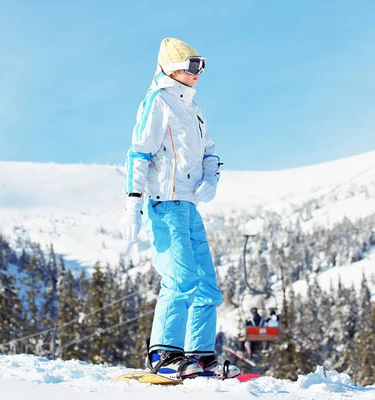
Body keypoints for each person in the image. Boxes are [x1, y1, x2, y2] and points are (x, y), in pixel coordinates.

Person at [119, 37, 239, 380]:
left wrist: (212, 178)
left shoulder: (194, 109)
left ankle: (200, 357)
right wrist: (133, 204)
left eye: (200, 65)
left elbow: (210, 151)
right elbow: (138, 153)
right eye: (192, 65)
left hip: (188, 205)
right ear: (172, 68)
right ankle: (163, 354)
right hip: (164, 203)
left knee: (207, 286)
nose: (198, 72)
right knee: (180, 277)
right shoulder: (158, 103)